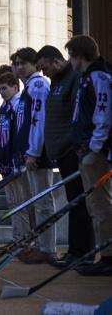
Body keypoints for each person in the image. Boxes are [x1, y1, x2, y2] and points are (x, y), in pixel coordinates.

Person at [36, 45, 95, 268]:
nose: (43, 73)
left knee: (80, 203)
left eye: (44, 68)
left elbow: (78, 115)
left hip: (72, 151)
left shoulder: (74, 78)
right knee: (74, 204)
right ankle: (75, 251)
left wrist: (72, 144)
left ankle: (82, 253)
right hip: (61, 153)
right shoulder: (57, 82)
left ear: (56, 61)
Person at [67, 35, 112, 276]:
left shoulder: (98, 76)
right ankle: (103, 253)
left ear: (79, 55)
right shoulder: (86, 78)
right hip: (85, 149)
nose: (69, 60)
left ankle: (108, 256)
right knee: (95, 205)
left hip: (95, 152)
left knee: (101, 205)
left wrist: (94, 148)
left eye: (71, 55)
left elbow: (103, 115)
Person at [11, 47, 56, 264]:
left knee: (43, 202)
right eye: (17, 63)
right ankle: (39, 244)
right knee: (35, 202)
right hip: (29, 153)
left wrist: (33, 151)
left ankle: (47, 248)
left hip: (37, 154)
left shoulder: (38, 85)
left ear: (34, 63)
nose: (19, 67)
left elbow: (39, 120)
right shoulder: (29, 87)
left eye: (23, 63)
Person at [0, 67, 34, 246]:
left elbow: (20, 134)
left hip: (16, 160)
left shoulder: (18, 105)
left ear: (15, 87)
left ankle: (24, 240)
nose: (2, 93)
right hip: (5, 161)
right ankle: (18, 237)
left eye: (5, 88)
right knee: (13, 202)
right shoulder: (4, 107)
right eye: (0, 89)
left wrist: (18, 159)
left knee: (21, 203)